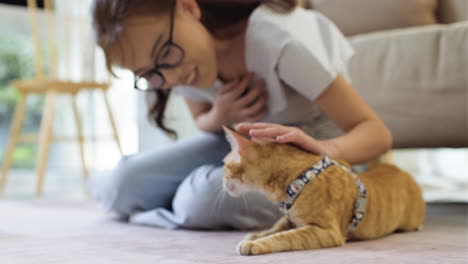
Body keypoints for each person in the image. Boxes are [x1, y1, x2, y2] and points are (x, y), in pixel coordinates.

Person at [88, 0, 392, 230]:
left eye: (165, 54)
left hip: (316, 154)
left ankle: (173, 204)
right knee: (124, 182)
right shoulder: (171, 67)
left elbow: (376, 133)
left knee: (205, 199)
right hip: (245, 146)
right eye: (149, 73)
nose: (171, 77)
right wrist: (221, 113)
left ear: (187, 7)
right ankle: (172, 200)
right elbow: (202, 122)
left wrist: (325, 149)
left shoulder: (279, 40)